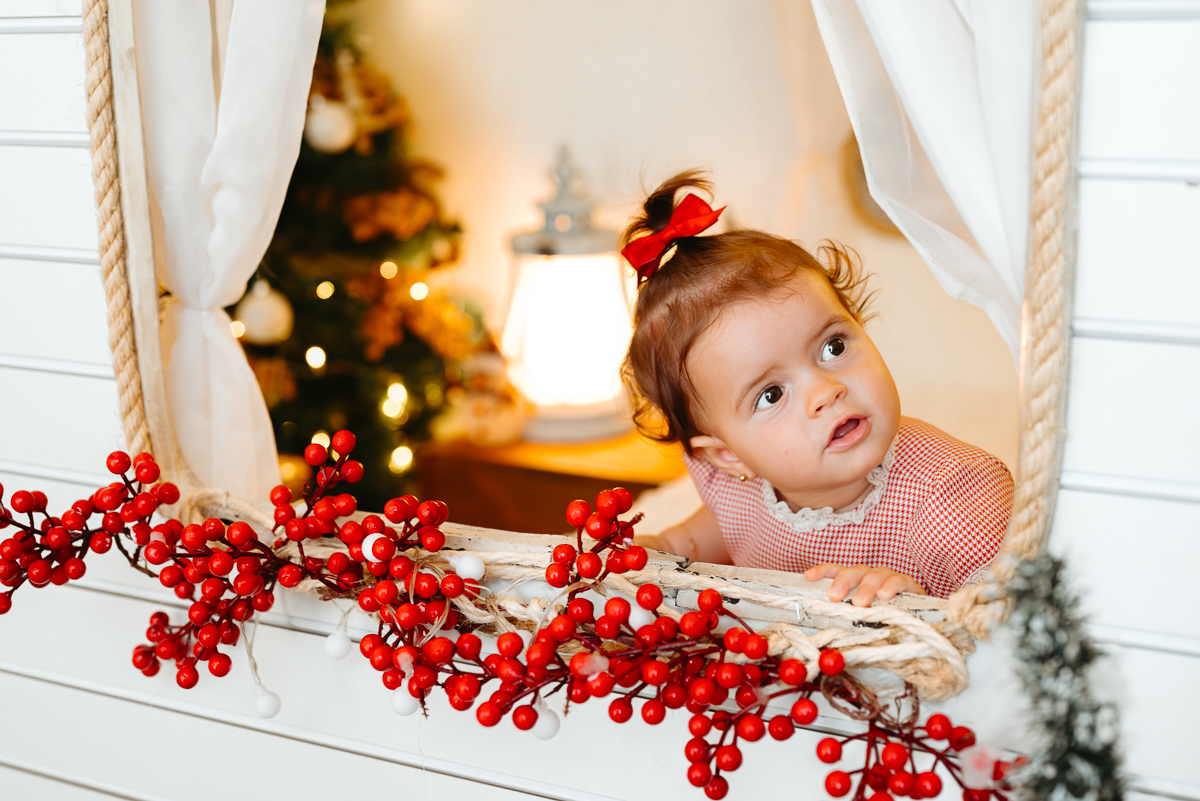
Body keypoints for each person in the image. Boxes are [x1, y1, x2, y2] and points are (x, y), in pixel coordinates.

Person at [626, 171, 1012, 605]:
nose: (826, 391)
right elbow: (688, 547)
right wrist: (648, 552)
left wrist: (916, 602)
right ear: (729, 455)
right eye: (772, 394)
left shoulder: (953, 498)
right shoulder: (737, 492)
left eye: (833, 347)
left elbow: (1011, 619)